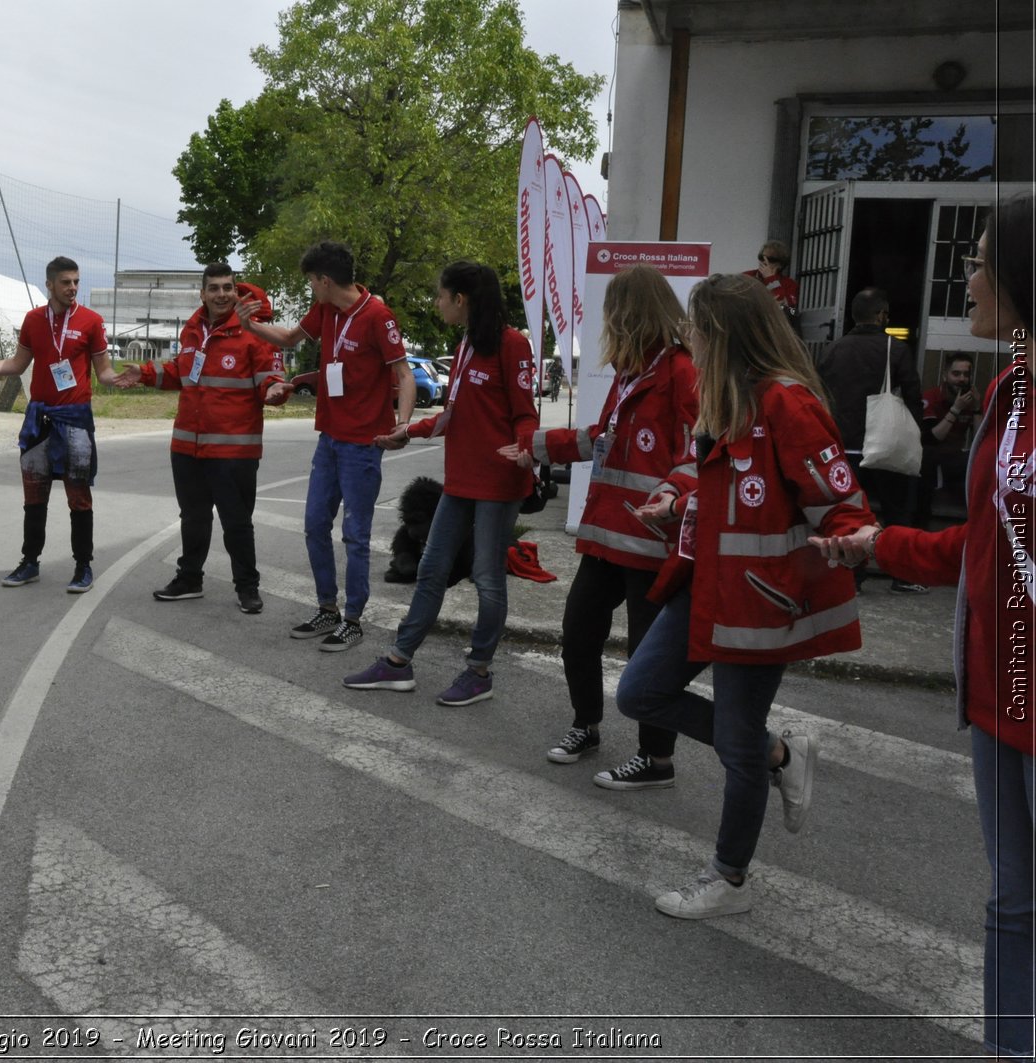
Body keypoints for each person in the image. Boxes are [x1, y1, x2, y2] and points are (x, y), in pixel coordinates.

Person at [812, 197, 1035, 1062]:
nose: (966, 279)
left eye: (980, 263)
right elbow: (985, 539)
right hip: (995, 692)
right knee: (1011, 902)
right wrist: (879, 545)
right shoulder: (1012, 391)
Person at [616, 272, 874, 920]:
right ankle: (780, 753)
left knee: (735, 744)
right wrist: (678, 501)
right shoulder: (725, 398)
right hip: (707, 587)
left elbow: (841, 501)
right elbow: (725, 484)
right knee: (639, 692)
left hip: (757, 607)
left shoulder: (788, 404)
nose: (689, 340)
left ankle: (729, 879)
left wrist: (849, 541)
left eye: (696, 329)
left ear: (723, 336)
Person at [513, 264, 696, 787]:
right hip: (609, 536)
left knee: (647, 658)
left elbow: (699, 450)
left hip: (650, 542)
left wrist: (672, 494)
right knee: (578, 635)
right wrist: (537, 449)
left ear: (632, 312)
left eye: (613, 309)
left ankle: (656, 760)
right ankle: (585, 726)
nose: (606, 320)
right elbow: (603, 438)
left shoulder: (681, 372)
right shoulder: (632, 370)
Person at [340, 261, 535, 704]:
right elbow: (454, 415)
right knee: (430, 569)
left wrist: (526, 446)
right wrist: (408, 431)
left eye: (440, 295)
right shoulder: (465, 344)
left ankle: (479, 673)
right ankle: (397, 663)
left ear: (460, 299)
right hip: (461, 482)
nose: (437, 302)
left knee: (487, 579)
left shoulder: (512, 345)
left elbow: (526, 413)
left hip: (499, 484)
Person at [237, 240, 416, 651]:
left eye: (312, 283)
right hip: (330, 440)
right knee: (315, 525)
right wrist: (251, 326)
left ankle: (353, 618)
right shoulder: (325, 310)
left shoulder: (377, 315)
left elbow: (404, 376)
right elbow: (287, 338)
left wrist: (403, 424)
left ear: (325, 279)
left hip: (363, 444)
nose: (311, 290)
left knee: (355, 534)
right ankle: (327, 608)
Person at [116, 263, 287, 614]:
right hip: (187, 447)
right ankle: (189, 579)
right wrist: (145, 373)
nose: (221, 294)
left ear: (236, 292)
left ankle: (247, 587)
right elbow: (182, 371)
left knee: (237, 523)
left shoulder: (255, 333)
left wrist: (275, 391)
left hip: (234, 450)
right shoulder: (193, 330)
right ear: (203, 293)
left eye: (228, 288)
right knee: (193, 517)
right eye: (214, 288)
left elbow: (269, 378)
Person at [0, 255, 126, 594]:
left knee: (79, 496)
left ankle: (83, 566)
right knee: (34, 496)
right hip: (39, 419)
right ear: (50, 284)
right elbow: (16, 365)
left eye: (76, 281)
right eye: (66, 282)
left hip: (74, 420)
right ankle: (30, 562)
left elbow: (103, 372)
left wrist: (121, 379)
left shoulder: (92, 321)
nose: (73, 288)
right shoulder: (33, 320)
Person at [814, 286, 927, 591]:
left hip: (844, 444)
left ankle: (853, 576)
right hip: (885, 444)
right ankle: (901, 575)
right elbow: (913, 395)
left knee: (850, 511)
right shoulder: (895, 348)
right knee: (897, 510)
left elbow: (818, 394)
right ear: (880, 315)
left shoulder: (833, 349)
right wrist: (914, 433)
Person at [914, 352, 978, 525]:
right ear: (945, 376)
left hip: (956, 458)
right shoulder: (931, 397)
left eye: (966, 375)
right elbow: (932, 438)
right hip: (931, 459)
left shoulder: (971, 400)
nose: (961, 379)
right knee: (928, 455)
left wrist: (978, 409)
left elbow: (980, 439)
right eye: (956, 374)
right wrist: (956, 409)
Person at [743, 239, 799, 315]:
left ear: (780, 264)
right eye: (762, 257)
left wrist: (770, 278)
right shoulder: (747, 276)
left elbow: (782, 307)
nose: (764, 261)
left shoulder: (789, 284)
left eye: (770, 259)